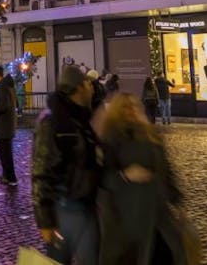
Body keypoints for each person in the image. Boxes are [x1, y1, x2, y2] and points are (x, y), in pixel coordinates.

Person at [98, 93, 187, 264]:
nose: (131, 111)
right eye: (125, 107)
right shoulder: (111, 138)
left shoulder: (150, 134)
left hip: (158, 213)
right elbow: (103, 176)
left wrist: (176, 200)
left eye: (134, 106)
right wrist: (125, 175)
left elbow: (166, 170)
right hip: (129, 217)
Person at [32, 65, 102, 264]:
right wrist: (45, 221)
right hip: (65, 207)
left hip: (85, 204)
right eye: (89, 84)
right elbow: (41, 171)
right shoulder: (53, 121)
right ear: (78, 88)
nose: (93, 88)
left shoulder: (81, 117)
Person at [0, 65, 17, 186]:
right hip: (7, 124)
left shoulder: (2, 88)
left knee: (4, 152)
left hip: (5, 125)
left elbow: (4, 106)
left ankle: (11, 178)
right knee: (4, 152)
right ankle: (7, 175)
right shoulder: (6, 86)